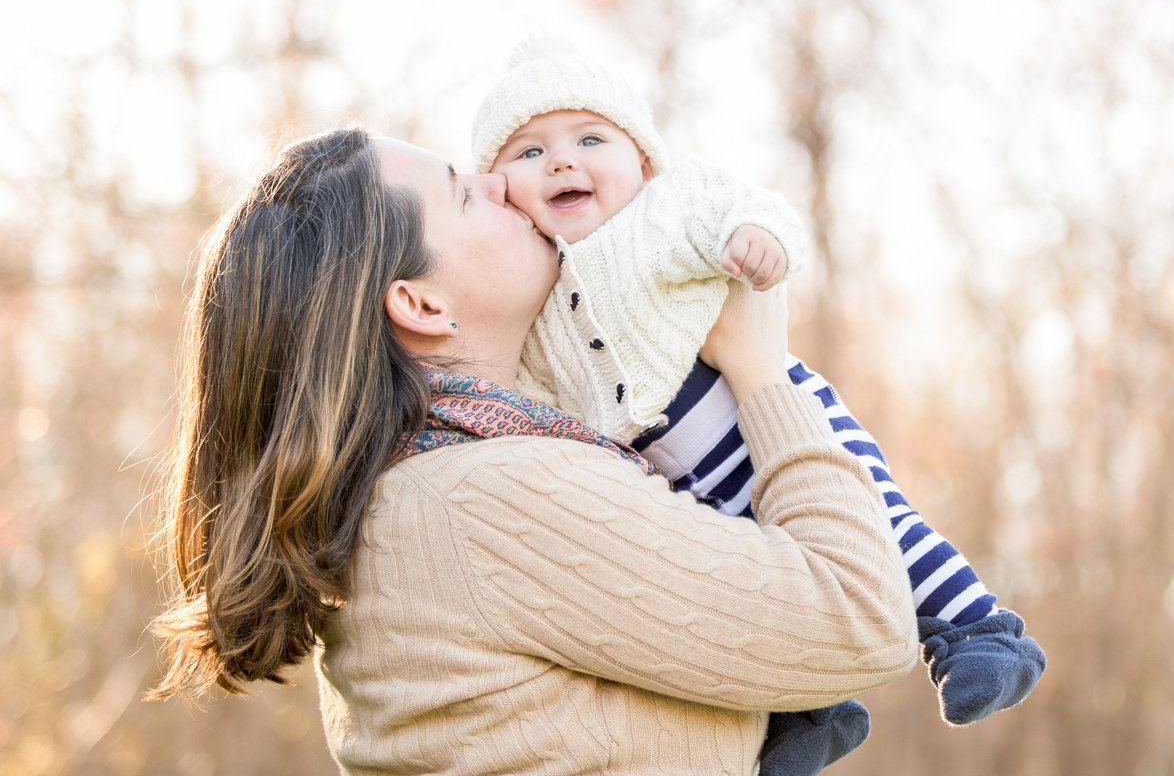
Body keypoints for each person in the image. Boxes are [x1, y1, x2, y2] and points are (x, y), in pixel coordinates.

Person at [147, 126, 918, 775]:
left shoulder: (424, 487)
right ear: (420, 303)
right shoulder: (480, 495)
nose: (501, 183)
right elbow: (862, 617)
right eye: (460, 192)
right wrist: (759, 370)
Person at [472, 51, 1047, 774]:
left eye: (590, 140)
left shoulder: (670, 209)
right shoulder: (533, 284)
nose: (562, 162)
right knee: (753, 578)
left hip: (763, 418)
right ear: (501, 191)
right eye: (531, 152)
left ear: (644, 162)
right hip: (676, 482)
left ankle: (981, 632)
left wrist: (757, 239)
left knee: (877, 525)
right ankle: (813, 711)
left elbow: (752, 207)